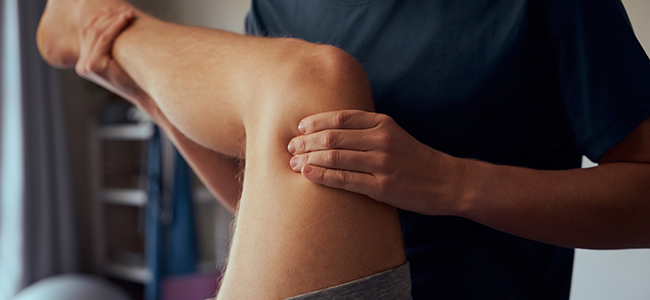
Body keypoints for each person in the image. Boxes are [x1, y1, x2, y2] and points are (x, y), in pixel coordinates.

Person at [38, 0, 650, 299]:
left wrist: (450, 183)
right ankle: (124, 47)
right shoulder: (283, 5)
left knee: (314, 77)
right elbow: (258, 194)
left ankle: (115, 30)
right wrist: (145, 97)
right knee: (310, 77)